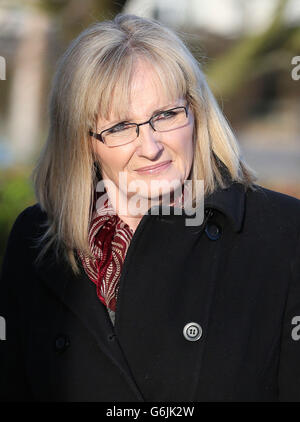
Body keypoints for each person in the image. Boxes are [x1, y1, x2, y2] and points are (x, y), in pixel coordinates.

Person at [0, 13, 299, 402]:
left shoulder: (281, 234)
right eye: (121, 126)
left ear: (195, 112)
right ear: (82, 141)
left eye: (166, 115)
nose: (151, 146)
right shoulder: (38, 240)